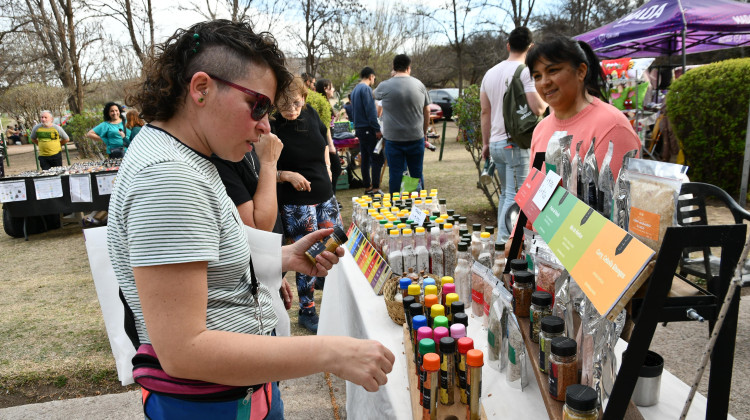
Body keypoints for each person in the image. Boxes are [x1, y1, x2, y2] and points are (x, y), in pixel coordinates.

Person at [109, 20, 393, 418]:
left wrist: (283, 257)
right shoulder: (168, 177)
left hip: (232, 391)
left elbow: (204, 266)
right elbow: (183, 350)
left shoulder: (186, 156)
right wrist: (330, 350)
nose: (265, 124)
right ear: (202, 88)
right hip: (210, 403)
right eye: (258, 105)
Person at [272, 76, 343, 333]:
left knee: (333, 245)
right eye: (283, 105)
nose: (291, 109)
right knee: (306, 255)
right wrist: (286, 175)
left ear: (304, 97)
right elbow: (263, 168)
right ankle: (307, 309)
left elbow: (322, 141)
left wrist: (328, 164)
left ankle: (332, 297)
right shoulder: (271, 127)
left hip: (324, 192)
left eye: (295, 103)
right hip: (296, 200)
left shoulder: (312, 113)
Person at [527, 36, 640, 180]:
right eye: (537, 76)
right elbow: (533, 189)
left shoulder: (612, 127)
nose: (544, 82)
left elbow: (615, 200)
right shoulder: (540, 129)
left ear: (581, 71)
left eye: (553, 70)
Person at [480, 27, 547, 244]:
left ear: (508, 45)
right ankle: (504, 245)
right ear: (531, 47)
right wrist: (547, 101)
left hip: (497, 144)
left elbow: (485, 112)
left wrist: (485, 144)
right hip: (515, 144)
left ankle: (501, 243)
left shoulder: (490, 73)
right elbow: (537, 109)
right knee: (516, 195)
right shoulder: (525, 71)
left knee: (507, 194)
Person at [374, 54, 431, 194]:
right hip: (416, 137)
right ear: (408, 68)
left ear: (394, 67)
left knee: (395, 174)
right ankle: (416, 206)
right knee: (416, 174)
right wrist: (424, 133)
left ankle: (396, 207)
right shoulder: (419, 85)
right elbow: (427, 110)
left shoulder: (385, 85)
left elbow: (375, 96)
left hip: (393, 139)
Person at [351, 66, 383, 195]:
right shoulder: (366, 89)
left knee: (364, 159)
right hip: (368, 129)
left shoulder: (355, 89)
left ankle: (367, 187)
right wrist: (377, 129)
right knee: (377, 158)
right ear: (371, 76)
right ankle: (375, 188)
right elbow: (371, 111)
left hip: (359, 128)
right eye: (374, 78)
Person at [314, 78, 343, 199]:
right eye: (331, 87)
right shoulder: (322, 104)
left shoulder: (326, 102)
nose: (334, 90)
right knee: (336, 168)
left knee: (334, 169)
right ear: (325, 89)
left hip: (329, 140)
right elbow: (325, 127)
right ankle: (331, 197)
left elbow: (333, 119)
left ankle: (332, 197)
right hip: (326, 141)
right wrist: (330, 145)